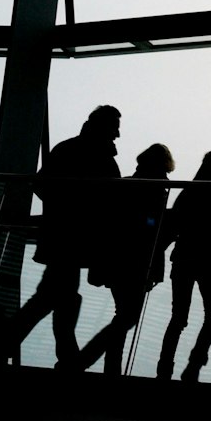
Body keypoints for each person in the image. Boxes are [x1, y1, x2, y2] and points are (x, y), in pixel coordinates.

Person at [0, 104, 121, 365]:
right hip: (77, 237)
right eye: (115, 128)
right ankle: (54, 352)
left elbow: (41, 184)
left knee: (57, 295)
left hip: (61, 234)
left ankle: (16, 342)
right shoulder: (102, 159)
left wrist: (61, 209)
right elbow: (111, 200)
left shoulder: (67, 149)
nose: (117, 134)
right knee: (57, 296)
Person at [64, 142, 174, 374]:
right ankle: (84, 362)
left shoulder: (126, 185)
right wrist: (157, 228)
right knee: (127, 317)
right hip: (138, 261)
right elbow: (150, 225)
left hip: (117, 260)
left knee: (122, 315)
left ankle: (107, 367)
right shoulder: (155, 189)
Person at [156, 149, 211, 382]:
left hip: (184, 258)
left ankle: (165, 366)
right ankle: (194, 364)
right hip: (210, 263)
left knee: (178, 317)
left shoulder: (190, 191)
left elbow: (172, 224)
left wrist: (157, 253)